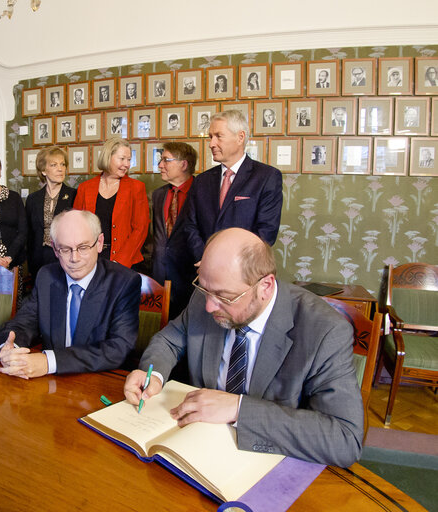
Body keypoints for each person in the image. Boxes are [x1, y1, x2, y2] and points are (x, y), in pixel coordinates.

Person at [124, 228, 363, 467]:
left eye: (224, 297)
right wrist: (152, 375)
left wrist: (238, 409)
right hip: (196, 447)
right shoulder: (206, 297)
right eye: (205, 289)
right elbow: (169, 340)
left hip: (268, 461)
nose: (208, 306)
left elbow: (344, 440)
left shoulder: (325, 331)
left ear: (265, 287)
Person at [0, 210, 140, 378]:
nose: (74, 258)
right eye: (65, 249)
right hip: (53, 384)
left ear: (99, 243)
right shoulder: (46, 276)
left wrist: (49, 361)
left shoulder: (124, 282)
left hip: (101, 381)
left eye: (83, 247)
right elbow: (22, 324)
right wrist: (8, 350)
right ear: (55, 249)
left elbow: (118, 348)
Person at [184, 110, 282, 265]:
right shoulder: (201, 180)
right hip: (204, 269)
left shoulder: (267, 177)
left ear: (240, 137)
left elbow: (266, 232)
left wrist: (231, 263)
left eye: (218, 136)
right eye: (210, 137)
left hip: (244, 271)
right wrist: (206, 258)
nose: (211, 144)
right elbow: (190, 225)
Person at [73, 137, 149, 268]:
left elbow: (140, 229)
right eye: (122, 158)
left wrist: (120, 261)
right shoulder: (85, 188)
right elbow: (76, 225)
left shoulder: (136, 187)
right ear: (108, 157)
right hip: (90, 258)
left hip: (124, 260)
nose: (127, 164)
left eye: (129, 160)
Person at [151, 142, 197, 318]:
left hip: (190, 278)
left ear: (183, 164)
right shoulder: (158, 195)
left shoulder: (201, 191)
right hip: (159, 276)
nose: (160, 165)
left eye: (166, 160)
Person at [25, 146, 77, 280]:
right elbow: (29, 233)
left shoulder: (74, 195)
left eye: (63, 164)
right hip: (38, 257)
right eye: (54, 165)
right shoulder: (33, 199)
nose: (60, 169)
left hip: (65, 257)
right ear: (43, 171)